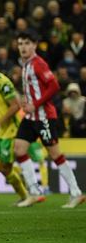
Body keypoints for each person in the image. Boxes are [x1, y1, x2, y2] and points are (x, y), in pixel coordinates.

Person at [14, 32, 85, 208]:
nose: (22, 47)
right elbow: (34, 89)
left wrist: (35, 104)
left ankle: (76, 192)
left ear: (34, 45)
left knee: (55, 154)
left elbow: (54, 86)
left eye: (26, 43)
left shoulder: (38, 63)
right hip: (31, 117)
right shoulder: (25, 64)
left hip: (44, 116)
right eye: (20, 43)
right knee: (19, 148)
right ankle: (35, 192)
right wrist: (26, 100)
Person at [0, 55, 45, 205]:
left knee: (4, 168)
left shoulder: (2, 82)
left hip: (10, 131)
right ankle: (14, 173)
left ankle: (25, 195)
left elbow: (16, 105)